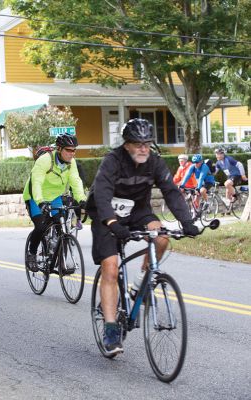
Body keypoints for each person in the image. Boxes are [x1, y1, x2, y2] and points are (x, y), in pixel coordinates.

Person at [86, 118, 199, 356]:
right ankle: (110, 330)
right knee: (110, 267)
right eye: (138, 144)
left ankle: (139, 287)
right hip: (106, 214)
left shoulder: (154, 162)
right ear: (127, 144)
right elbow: (102, 196)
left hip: (137, 210)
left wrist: (187, 221)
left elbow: (171, 192)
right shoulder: (112, 162)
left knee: (161, 237)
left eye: (147, 143)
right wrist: (112, 223)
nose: (143, 148)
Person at [23, 133, 87, 272]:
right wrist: (40, 202)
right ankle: (32, 254)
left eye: (74, 150)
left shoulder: (71, 163)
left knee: (62, 226)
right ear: (59, 148)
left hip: (55, 197)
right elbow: (37, 182)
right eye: (68, 150)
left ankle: (61, 261)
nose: (72, 153)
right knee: (40, 226)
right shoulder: (45, 160)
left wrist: (82, 199)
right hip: (35, 196)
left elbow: (75, 181)